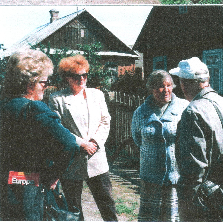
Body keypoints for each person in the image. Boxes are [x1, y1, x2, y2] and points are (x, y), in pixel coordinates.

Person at [170, 57, 223, 222]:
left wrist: (187, 205)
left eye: (181, 82)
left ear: (185, 83)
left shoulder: (192, 112)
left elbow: (193, 167)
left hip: (207, 201)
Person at [0, 49, 80, 221]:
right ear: (30, 83)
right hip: (29, 185)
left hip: (5, 183)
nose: (46, 86)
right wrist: (53, 176)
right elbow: (70, 144)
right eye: (44, 82)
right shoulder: (34, 109)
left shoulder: (4, 105)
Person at [48, 54, 118, 221]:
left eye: (84, 75)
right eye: (76, 76)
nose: (81, 79)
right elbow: (58, 129)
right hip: (72, 160)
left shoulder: (97, 95)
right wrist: (81, 143)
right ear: (66, 77)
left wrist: (95, 142)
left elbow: (105, 121)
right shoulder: (57, 99)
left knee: (107, 204)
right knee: (74, 208)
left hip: (97, 158)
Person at [131, 70, 189, 222]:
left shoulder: (184, 108)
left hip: (174, 174)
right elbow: (137, 139)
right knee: (150, 217)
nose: (166, 90)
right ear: (151, 89)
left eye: (169, 85)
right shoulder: (141, 112)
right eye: (160, 87)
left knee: (171, 217)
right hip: (150, 175)